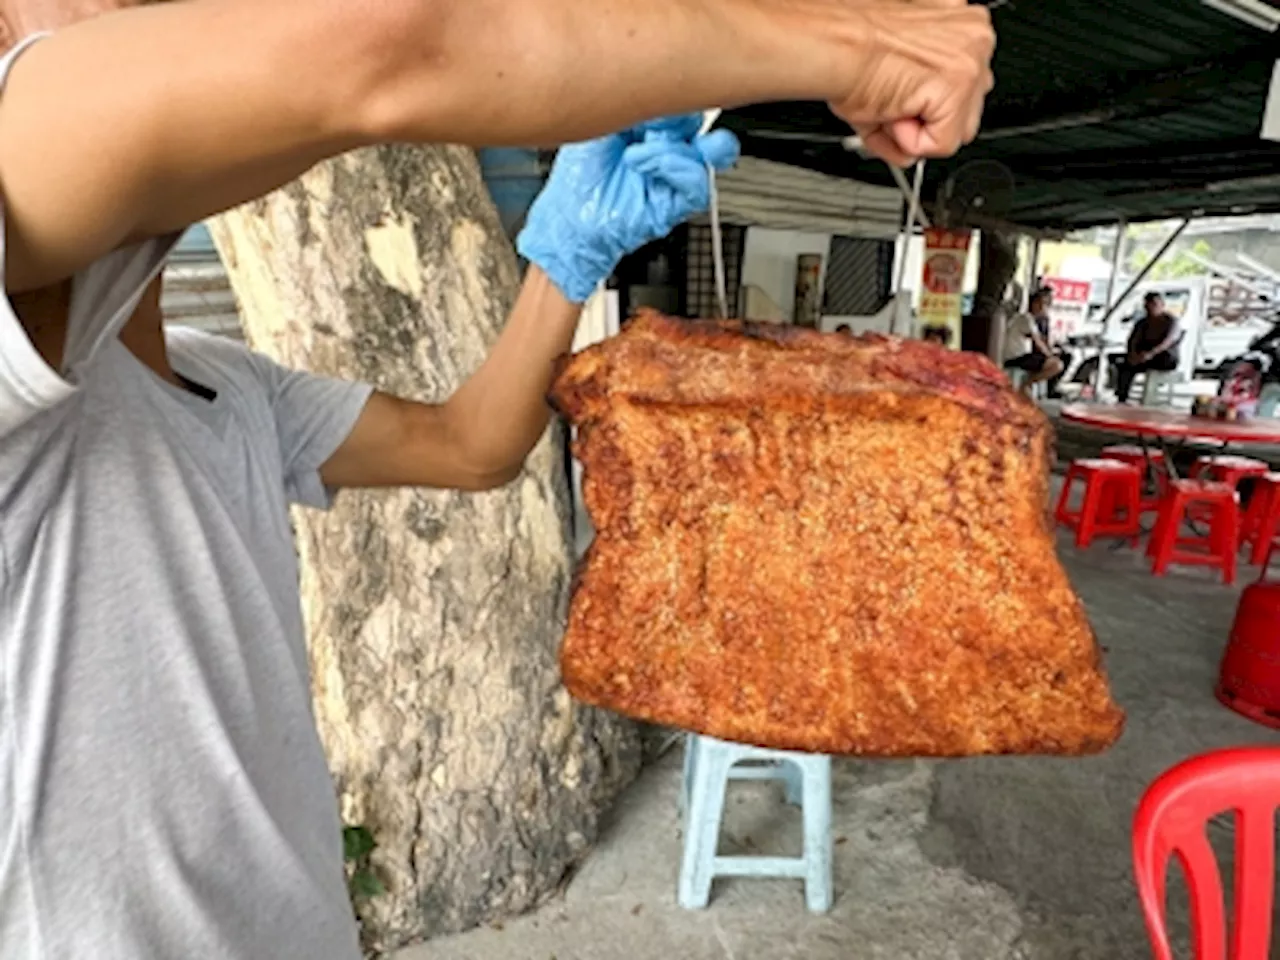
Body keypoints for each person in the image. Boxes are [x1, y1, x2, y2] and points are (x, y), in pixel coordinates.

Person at [0, 0, 995, 957]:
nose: (159, 22)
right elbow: (382, 40)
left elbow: (468, 447)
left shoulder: (227, 385)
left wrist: (566, 260)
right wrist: (858, 42)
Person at [1115, 291, 1182, 404]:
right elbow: (1132, 340)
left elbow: (1167, 342)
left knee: (1163, 357)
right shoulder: (1142, 323)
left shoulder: (1171, 321)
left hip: (1164, 356)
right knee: (1124, 364)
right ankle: (1122, 397)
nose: (1151, 307)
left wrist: (1150, 354)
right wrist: (1133, 354)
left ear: (1162, 305)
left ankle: (1147, 398)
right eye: (1148, 304)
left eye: (1154, 304)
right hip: (1143, 355)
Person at [1003, 287, 1067, 396]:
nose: (1045, 308)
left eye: (1047, 304)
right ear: (1034, 303)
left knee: (1058, 358)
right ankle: (1026, 384)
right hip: (1016, 358)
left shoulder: (1031, 319)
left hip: (1021, 356)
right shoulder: (1026, 318)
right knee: (1057, 365)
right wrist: (1050, 355)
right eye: (1043, 304)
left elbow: (1042, 341)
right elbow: (1039, 343)